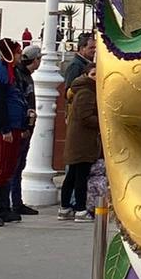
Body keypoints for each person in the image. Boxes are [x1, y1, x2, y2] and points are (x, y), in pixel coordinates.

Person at [0, 37, 29, 227]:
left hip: (14, 125)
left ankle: (2, 208)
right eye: (18, 52)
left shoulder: (9, 71)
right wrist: (4, 128)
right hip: (3, 128)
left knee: (8, 167)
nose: (20, 56)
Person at [60, 63, 100, 221]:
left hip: (78, 139)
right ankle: (80, 209)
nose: (96, 77)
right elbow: (85, 117)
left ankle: (65, 208)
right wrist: (102, 121)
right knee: (80, 176)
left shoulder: (81, 89)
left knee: (73, 174)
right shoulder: (87, 91)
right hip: (82, 140)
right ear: (87, 75)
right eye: (93, 74)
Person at [10, 44, 41, 218]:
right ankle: (14, 202)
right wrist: (24, 126)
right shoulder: (20, 76)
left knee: (20, 165)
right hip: (22, 127)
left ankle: (16, 201)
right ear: (35, 60)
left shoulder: (24, 75)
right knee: (16, 165)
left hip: (27, 125)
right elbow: (20, 101)